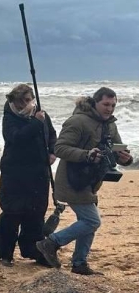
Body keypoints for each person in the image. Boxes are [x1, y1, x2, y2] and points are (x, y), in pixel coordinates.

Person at [36, 87, 133, 275]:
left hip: (91, 181)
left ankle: (79, 263)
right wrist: (86, 155)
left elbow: (117, 150)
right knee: (91, 220)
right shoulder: (78, 121)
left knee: (87, 222)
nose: (110, 109)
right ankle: (51, 243)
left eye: (113, 105)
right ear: (95, 102)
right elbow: (60, 148)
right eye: (106, 104)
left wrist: (126, 159)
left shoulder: (110, 124)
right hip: (72, 180)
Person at [0, 83, 57, 267]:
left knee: (36, 213)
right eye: (21, 101)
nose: (26, 105)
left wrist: (52, 152)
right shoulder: (10, 118)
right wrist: (35, 122)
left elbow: (51, 135)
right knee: (13, 213)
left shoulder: (42, 115)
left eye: (29, 100)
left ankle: (33, 251)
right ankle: (5, 254)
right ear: (13, 101)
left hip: (38, 171)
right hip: (15, 172)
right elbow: (16, 138)